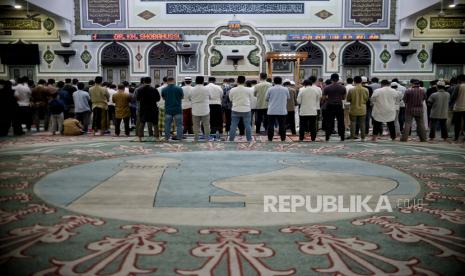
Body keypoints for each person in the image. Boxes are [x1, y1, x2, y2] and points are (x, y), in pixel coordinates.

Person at [228, 76, 254, 142]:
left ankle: (231, 140)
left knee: (233, 125)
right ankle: (249, 139)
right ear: (244, 81)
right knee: (248, 125)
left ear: (237, 81)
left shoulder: (232, 90)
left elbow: (230, 99)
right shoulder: (249, 90)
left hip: (235, 109)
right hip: (246, 109)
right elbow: (251, 98)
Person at [322, 73, 346, 141]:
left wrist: (329, 98)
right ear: (338, 79)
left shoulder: (327, 87)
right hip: (339, 105)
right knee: (340, 121)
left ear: (331, 79)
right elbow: (344, 98)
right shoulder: (342, 87)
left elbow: (323, 98)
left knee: (329, 121)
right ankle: (342, 136)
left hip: (330, 105)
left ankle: (327, 136)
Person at [266, 76, 289, 141]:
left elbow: (266, 98)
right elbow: (288, 97)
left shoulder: (270, 89)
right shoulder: (285, 89)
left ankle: (270, 138)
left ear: (274, 81)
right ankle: (283, 138)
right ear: (281, 82)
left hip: (272, 110)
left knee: (271, 125)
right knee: (282, 125)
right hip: (282, 110)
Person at [137, 77, 160, 142]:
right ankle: (157, 137)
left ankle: (140, 138)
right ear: (150, 82)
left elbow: (138, 99)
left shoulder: (140, 90)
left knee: (142, 122)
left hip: (143, 108)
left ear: (143, 82)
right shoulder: (154, 89)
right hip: (153, 108)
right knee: (155, 123)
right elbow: (158, 99)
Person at [346, 76, 369, 141]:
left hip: (353, 108)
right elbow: (367, 99)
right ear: (361, 81)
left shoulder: (351, 90)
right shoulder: (365, 89)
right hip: (362, 108)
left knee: (353, 123)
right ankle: (363, 137)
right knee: (362, 123)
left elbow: (348, 99)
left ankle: (352, 136)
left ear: (354, 81)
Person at [189, 76, 211, 142]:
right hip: (205, 110)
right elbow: (210, 97)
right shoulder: (206, 89)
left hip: (195, 110)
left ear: (195, 81)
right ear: (203, 81)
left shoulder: (192, 89)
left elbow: (189, 98)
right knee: (206, 125)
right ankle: (207, 139)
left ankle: (196, 139)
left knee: (196, 126)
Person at [450, 74, 465, 142]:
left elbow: (453, 97)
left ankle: (456, 137)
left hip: (458, 107)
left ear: (459, 80)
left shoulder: (458, 86)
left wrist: (450, 105)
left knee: (457, 123)